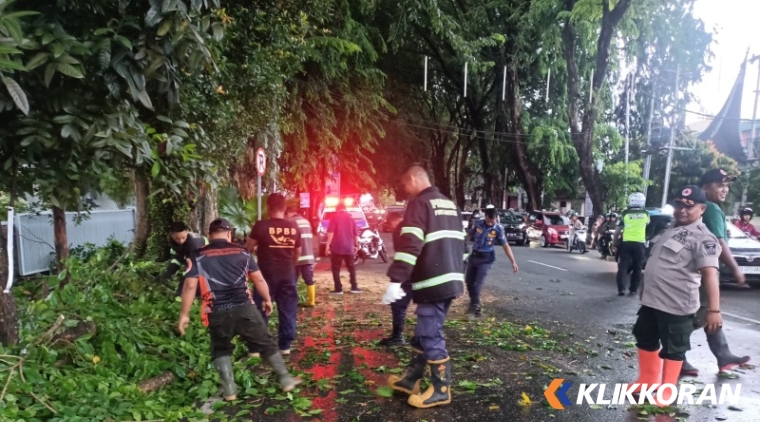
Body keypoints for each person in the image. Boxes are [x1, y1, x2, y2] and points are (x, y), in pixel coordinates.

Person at [177, 218, 301, 401]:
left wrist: (184, 315)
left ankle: (229, 391)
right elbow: (258, 280)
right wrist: (267, 299)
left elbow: (189, 286)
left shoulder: (197, 255)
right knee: (266, 342)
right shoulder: (242, 252)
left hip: (216, 311)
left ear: (209, 235)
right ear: (229, 234)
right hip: (245, 309)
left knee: (221, 348)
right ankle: (285, 379)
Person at [630, 186, 722, 407]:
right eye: (679, 205)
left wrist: (714, 310)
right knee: (644, 336)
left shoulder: (704, 238)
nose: (681, 210)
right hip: (652, 301)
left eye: (689, 207)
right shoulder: (669, 229)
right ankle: (647, 380)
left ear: (702, 209)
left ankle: (667, 391)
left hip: (677, 306)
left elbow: (710, 275)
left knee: (674, 348)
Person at [383, 164, 465, 409]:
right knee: (423, 333)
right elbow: (464, 245)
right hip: (450, 280)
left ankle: (441, 389)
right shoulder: (451, 205)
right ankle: (411, 380)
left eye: (405, 184)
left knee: (429, 333)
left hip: (432, 282)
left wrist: (396, 280)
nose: (405, 189)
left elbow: (410, 246)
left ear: (413, 179)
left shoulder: (419, 205)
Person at [680, 169, 750, 376]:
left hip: (702, 268)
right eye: (720, 185)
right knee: (703, 313)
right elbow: (719, 241)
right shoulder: (709, 208)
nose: (725, 189)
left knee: (709, 313)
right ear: (705, 188)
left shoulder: (708, 208)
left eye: (726, 185)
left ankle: (723, 355)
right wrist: (736, 269)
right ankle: (675, 352)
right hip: (703, 271)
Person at [247, 194, 302, 355]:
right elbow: (297, 252)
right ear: (284, 208)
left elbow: (248, 248)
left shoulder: (261, 225)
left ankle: (256, 349)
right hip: (287, 274)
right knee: (288, 309)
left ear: (268, 208)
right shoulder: (294, 227)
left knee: (261, 308)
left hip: (265, 276)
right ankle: (285, 346)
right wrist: (290, 265)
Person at [465, 205, 519, 317]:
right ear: (485, 217)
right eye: (488, 221)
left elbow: (505, 245)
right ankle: (475, 304)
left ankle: (475, 307)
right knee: (469, 282)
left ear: (496, 219)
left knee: (478, 283)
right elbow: (470, 233)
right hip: (474, 256)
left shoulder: (498, 229)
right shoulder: (478, 223)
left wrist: (513, 261)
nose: (490, 223)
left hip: (486, 258)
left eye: (492, 221)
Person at [378, 211, 411, 346]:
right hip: (419, 271)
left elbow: (403, 255)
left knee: (397, 303)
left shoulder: (400, 230)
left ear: (394, 221)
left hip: (409, 273)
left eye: (389, 223)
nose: (389, 226)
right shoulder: (411, 227)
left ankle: (398, 336)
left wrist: (396, 278)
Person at [155, 222, 208, 293]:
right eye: (177, 238)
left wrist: (182, 284)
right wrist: (168, 273)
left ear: (186, 232)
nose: (180, 241)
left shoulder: (194, 244)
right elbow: (177, 258)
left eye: (183, 237)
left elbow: (192, 267)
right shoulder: (172, 241)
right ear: (171, 235)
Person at [614, 193, 649, 296]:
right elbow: (647, 223)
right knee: (637, 267)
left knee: (623, 266)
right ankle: (633, 290)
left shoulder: (625, 213)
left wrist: (615, 243)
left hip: (626, 243)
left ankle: (621, 289)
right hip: (640, 243)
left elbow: (617, 230)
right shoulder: (646, 214)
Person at [326, 203, 361, 294]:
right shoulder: (351, 218)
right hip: (349, 248)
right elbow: (355, 234)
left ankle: (338, 289)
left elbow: (331, 232)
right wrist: (356, 246)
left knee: (336, 268)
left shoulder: (334, 217)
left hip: (337, 248)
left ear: (337, 209)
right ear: (345, 209)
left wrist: (327, 245)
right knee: (351, 268)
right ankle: (354, 287)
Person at [287, 207, 317, 307]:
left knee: (292, 281)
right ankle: (311, 301)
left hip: (296, 257)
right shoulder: (306, 222)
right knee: (309, 280)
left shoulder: (291, 222)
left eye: (285, 216)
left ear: (289, 214)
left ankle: (292, 301)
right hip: (308, 257)